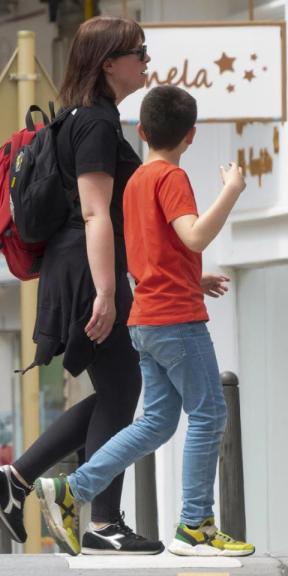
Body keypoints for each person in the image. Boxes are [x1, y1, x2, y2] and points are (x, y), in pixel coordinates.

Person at [35, 85, 254, 557]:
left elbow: (147, 254)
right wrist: (231, 191)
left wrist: (192, 280)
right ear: (191, 135)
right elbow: (193, 236)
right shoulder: (170, 178)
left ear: (141, 131)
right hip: (177, 320)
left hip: (145, 318)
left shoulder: (133, 182)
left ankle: (72, 488)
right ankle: (194, 525)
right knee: (210, 413)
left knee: (156, 422)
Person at [0, 15, 165, 555]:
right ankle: (101, 521)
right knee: (123, 389)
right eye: (139, 51)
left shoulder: (80, 120)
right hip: (87, 271)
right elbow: (94, 212)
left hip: (79, 268)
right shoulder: (95, 126)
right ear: (109, 63)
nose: (146, 60)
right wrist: (107, 292)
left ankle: (18, 481)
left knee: (119, 390)